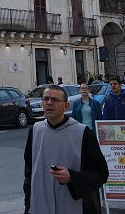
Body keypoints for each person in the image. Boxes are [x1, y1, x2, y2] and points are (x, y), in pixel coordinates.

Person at [24, 85, 109, 214]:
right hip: (40, 205)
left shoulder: (83, 133)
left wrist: (73, 177)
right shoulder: (35, 131)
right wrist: (28, 202)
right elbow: (29, 172)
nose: (49, 103)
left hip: (74, 206)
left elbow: (100, 173)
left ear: (66, 105)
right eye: (45, 99)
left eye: (55, 100)